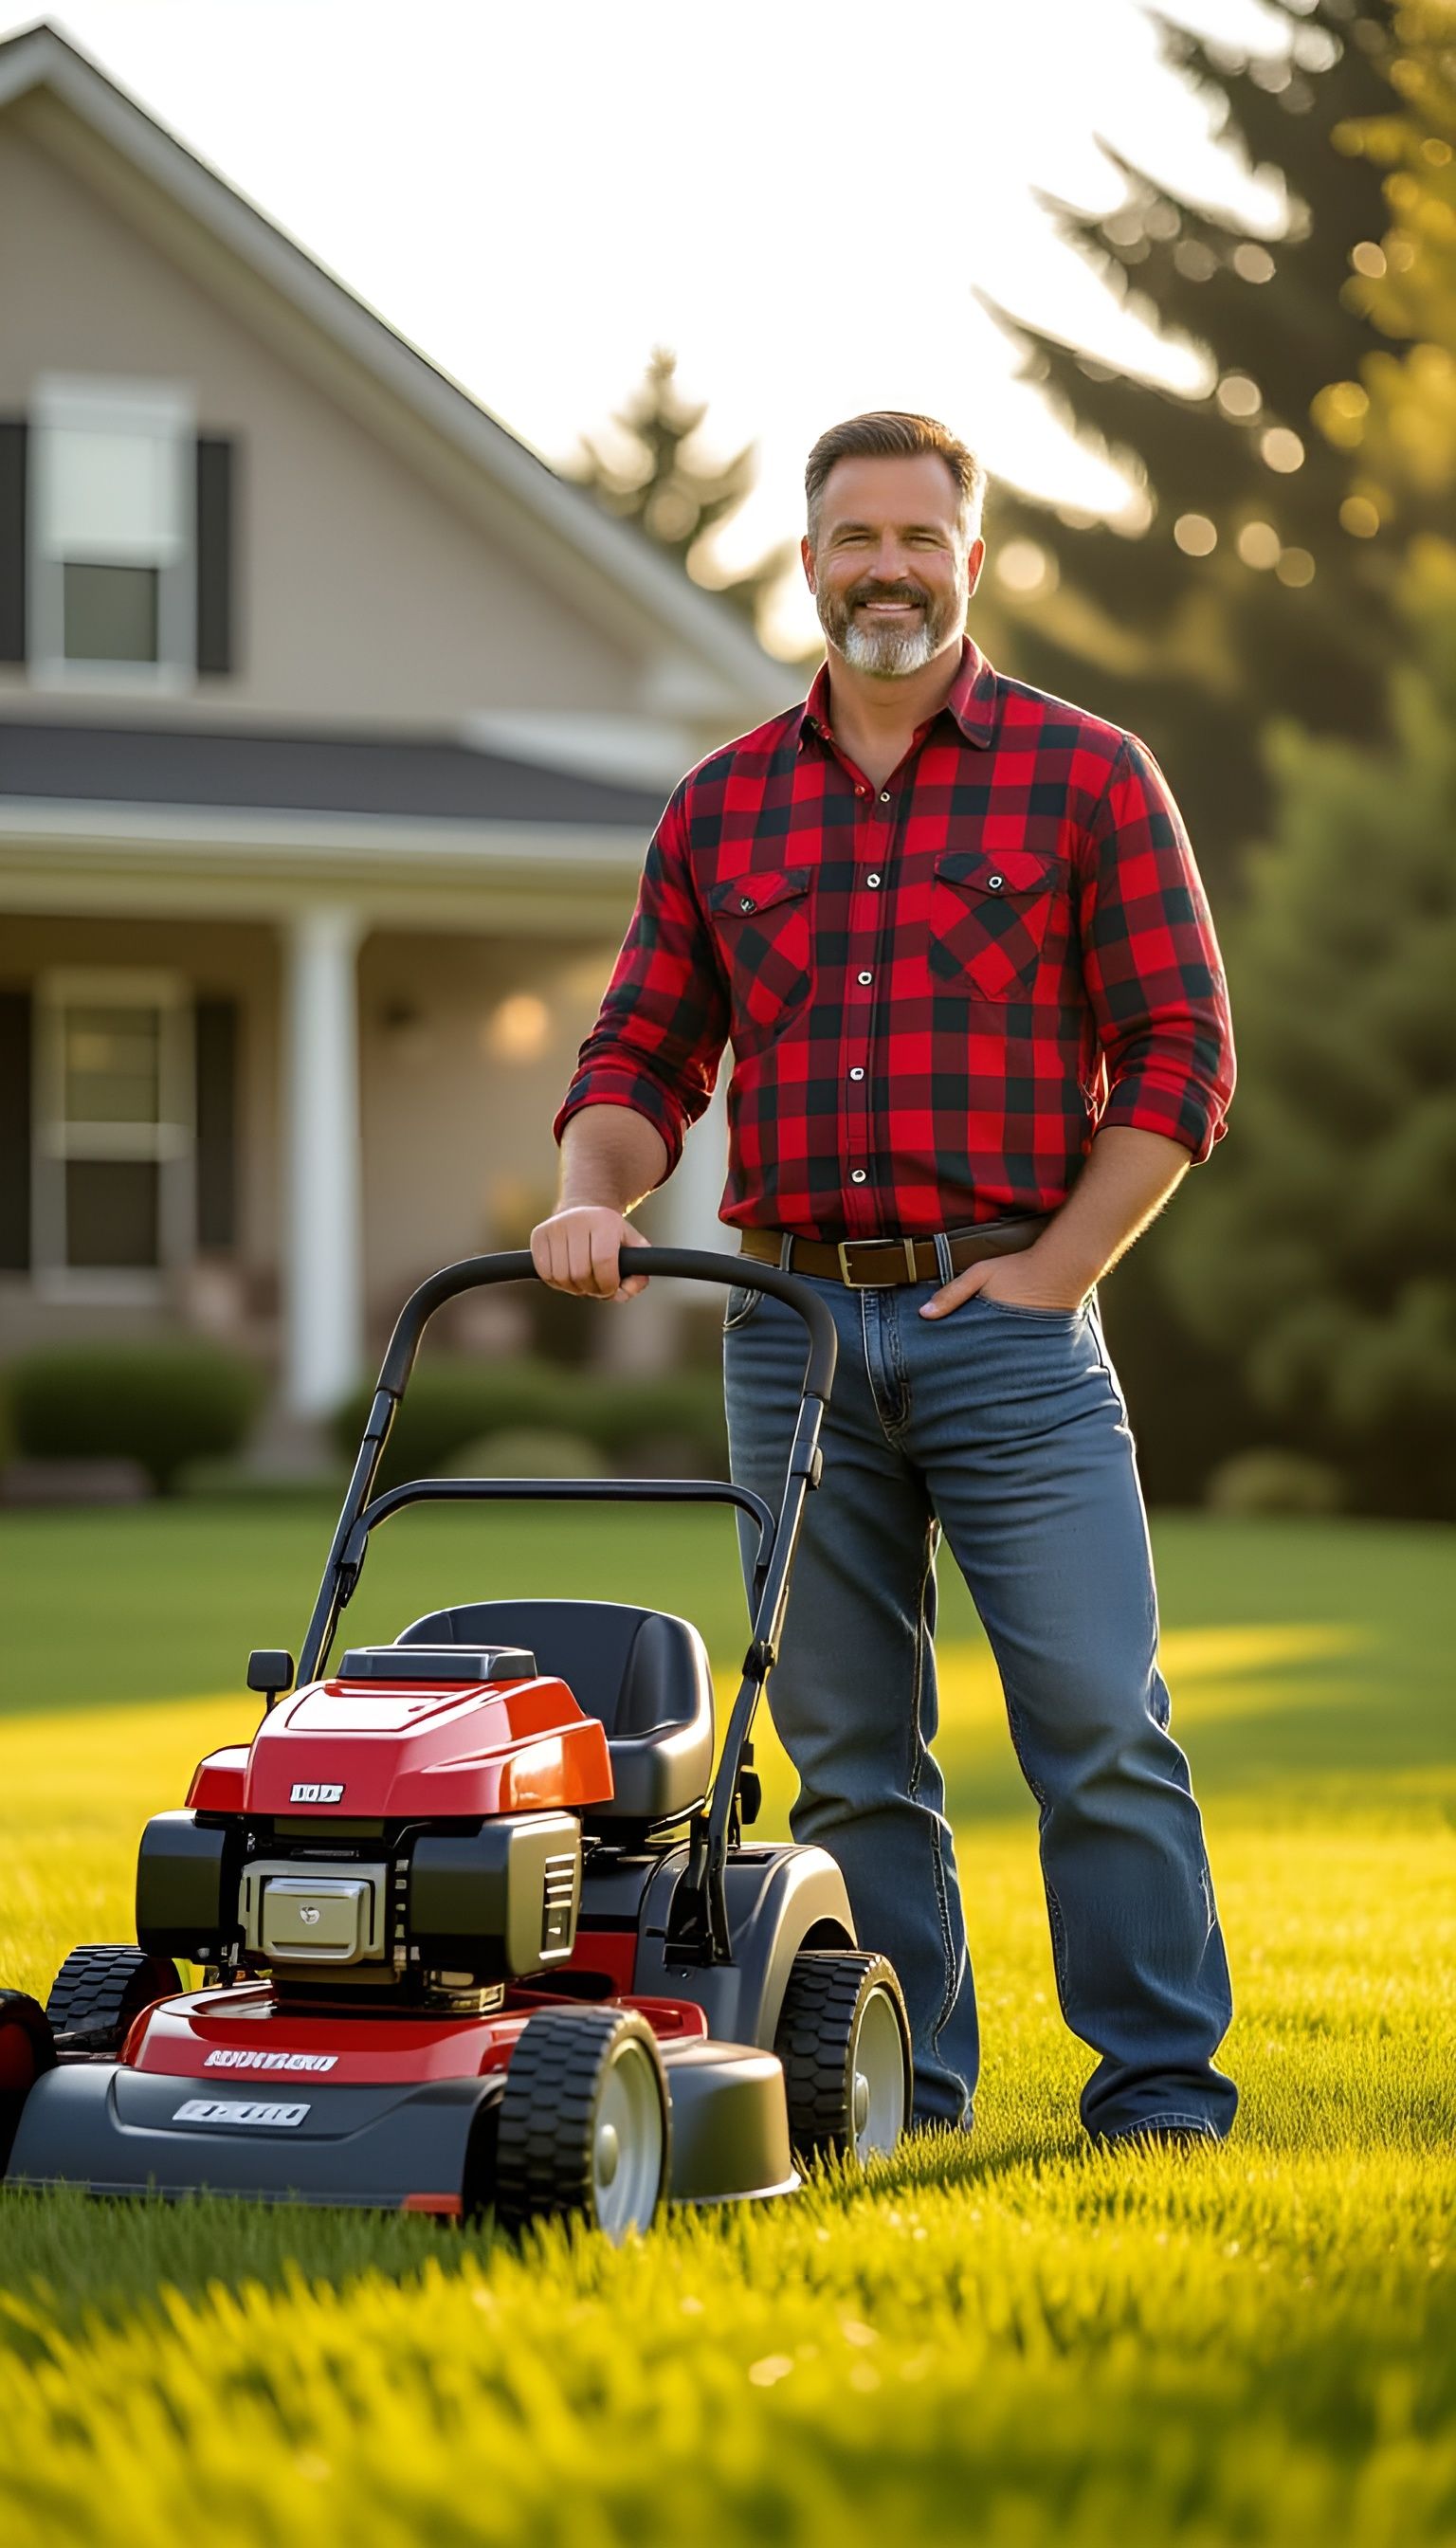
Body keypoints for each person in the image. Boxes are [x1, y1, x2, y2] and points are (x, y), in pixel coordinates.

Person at [533, 410, 1237, 2147]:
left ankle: (1158, 2096)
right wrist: (585, 1194)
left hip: (1007, 1322)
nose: (889, 572)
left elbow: (1184, 1051)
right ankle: (905, 2095)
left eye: (922, 540)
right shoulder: (724, 807)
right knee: (857, 1763)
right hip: (790, 1339)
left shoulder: (1087, 774)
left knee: (1097, 1722)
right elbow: (641, 1052)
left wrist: (1059, 1267)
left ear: (972, 562)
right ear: (811, 563)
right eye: (857, 540)